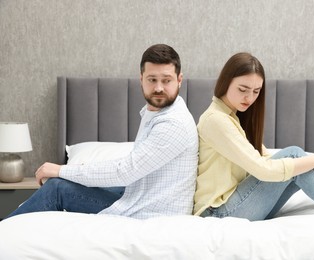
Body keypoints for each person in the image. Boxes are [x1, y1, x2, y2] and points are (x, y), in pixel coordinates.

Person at [7, 44, 198, 219]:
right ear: (141, 79)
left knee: (57, 188)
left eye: (166, 80)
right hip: (139, 193)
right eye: (152, 79)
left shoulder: (173, 124)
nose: (158, 88)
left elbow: (125, 171)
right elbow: (128, 168)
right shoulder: (157, 112)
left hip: (150, 211)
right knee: (73, 182)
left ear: (179, 80)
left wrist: (61, 170)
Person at [193, 52, 314, 220]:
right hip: (218, 212)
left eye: (256, 91)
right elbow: (263, 169)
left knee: (298, 163)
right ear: (225, 82)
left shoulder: (233, 117)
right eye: (243, 89)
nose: (249, 98)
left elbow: (266, 159)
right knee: (294, 155)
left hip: (234, 206)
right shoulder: (215, 120)